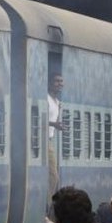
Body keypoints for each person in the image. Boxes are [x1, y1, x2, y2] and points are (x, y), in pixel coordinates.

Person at [47, 73, 66, 203]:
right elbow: (37, 119)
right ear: (49, 83)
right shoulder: (45, 99)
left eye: (61, 81)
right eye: (56, 81)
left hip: (50, 139)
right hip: (43, 141)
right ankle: (46, 207)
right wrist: (54, 124)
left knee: (52, 176)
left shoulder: (57, 102)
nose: (59, 84)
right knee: (53, 176)